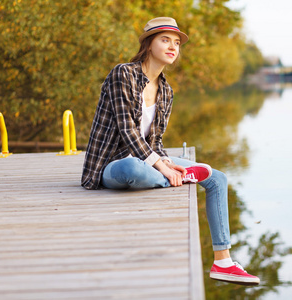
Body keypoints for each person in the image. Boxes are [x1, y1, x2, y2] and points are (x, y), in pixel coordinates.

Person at [81, 17, 259, 285]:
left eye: (176, 42)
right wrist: (165, 167)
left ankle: (223, 262)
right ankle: (175, 178)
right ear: (148, 44)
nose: (172, 46)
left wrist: (162, 160)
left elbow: (156, 143)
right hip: (111, 165)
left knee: (217, 178)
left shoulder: (166, 91)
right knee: (133, 168)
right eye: (165, 40)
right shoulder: (123, 74)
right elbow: (127, 131)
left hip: (146, 163)